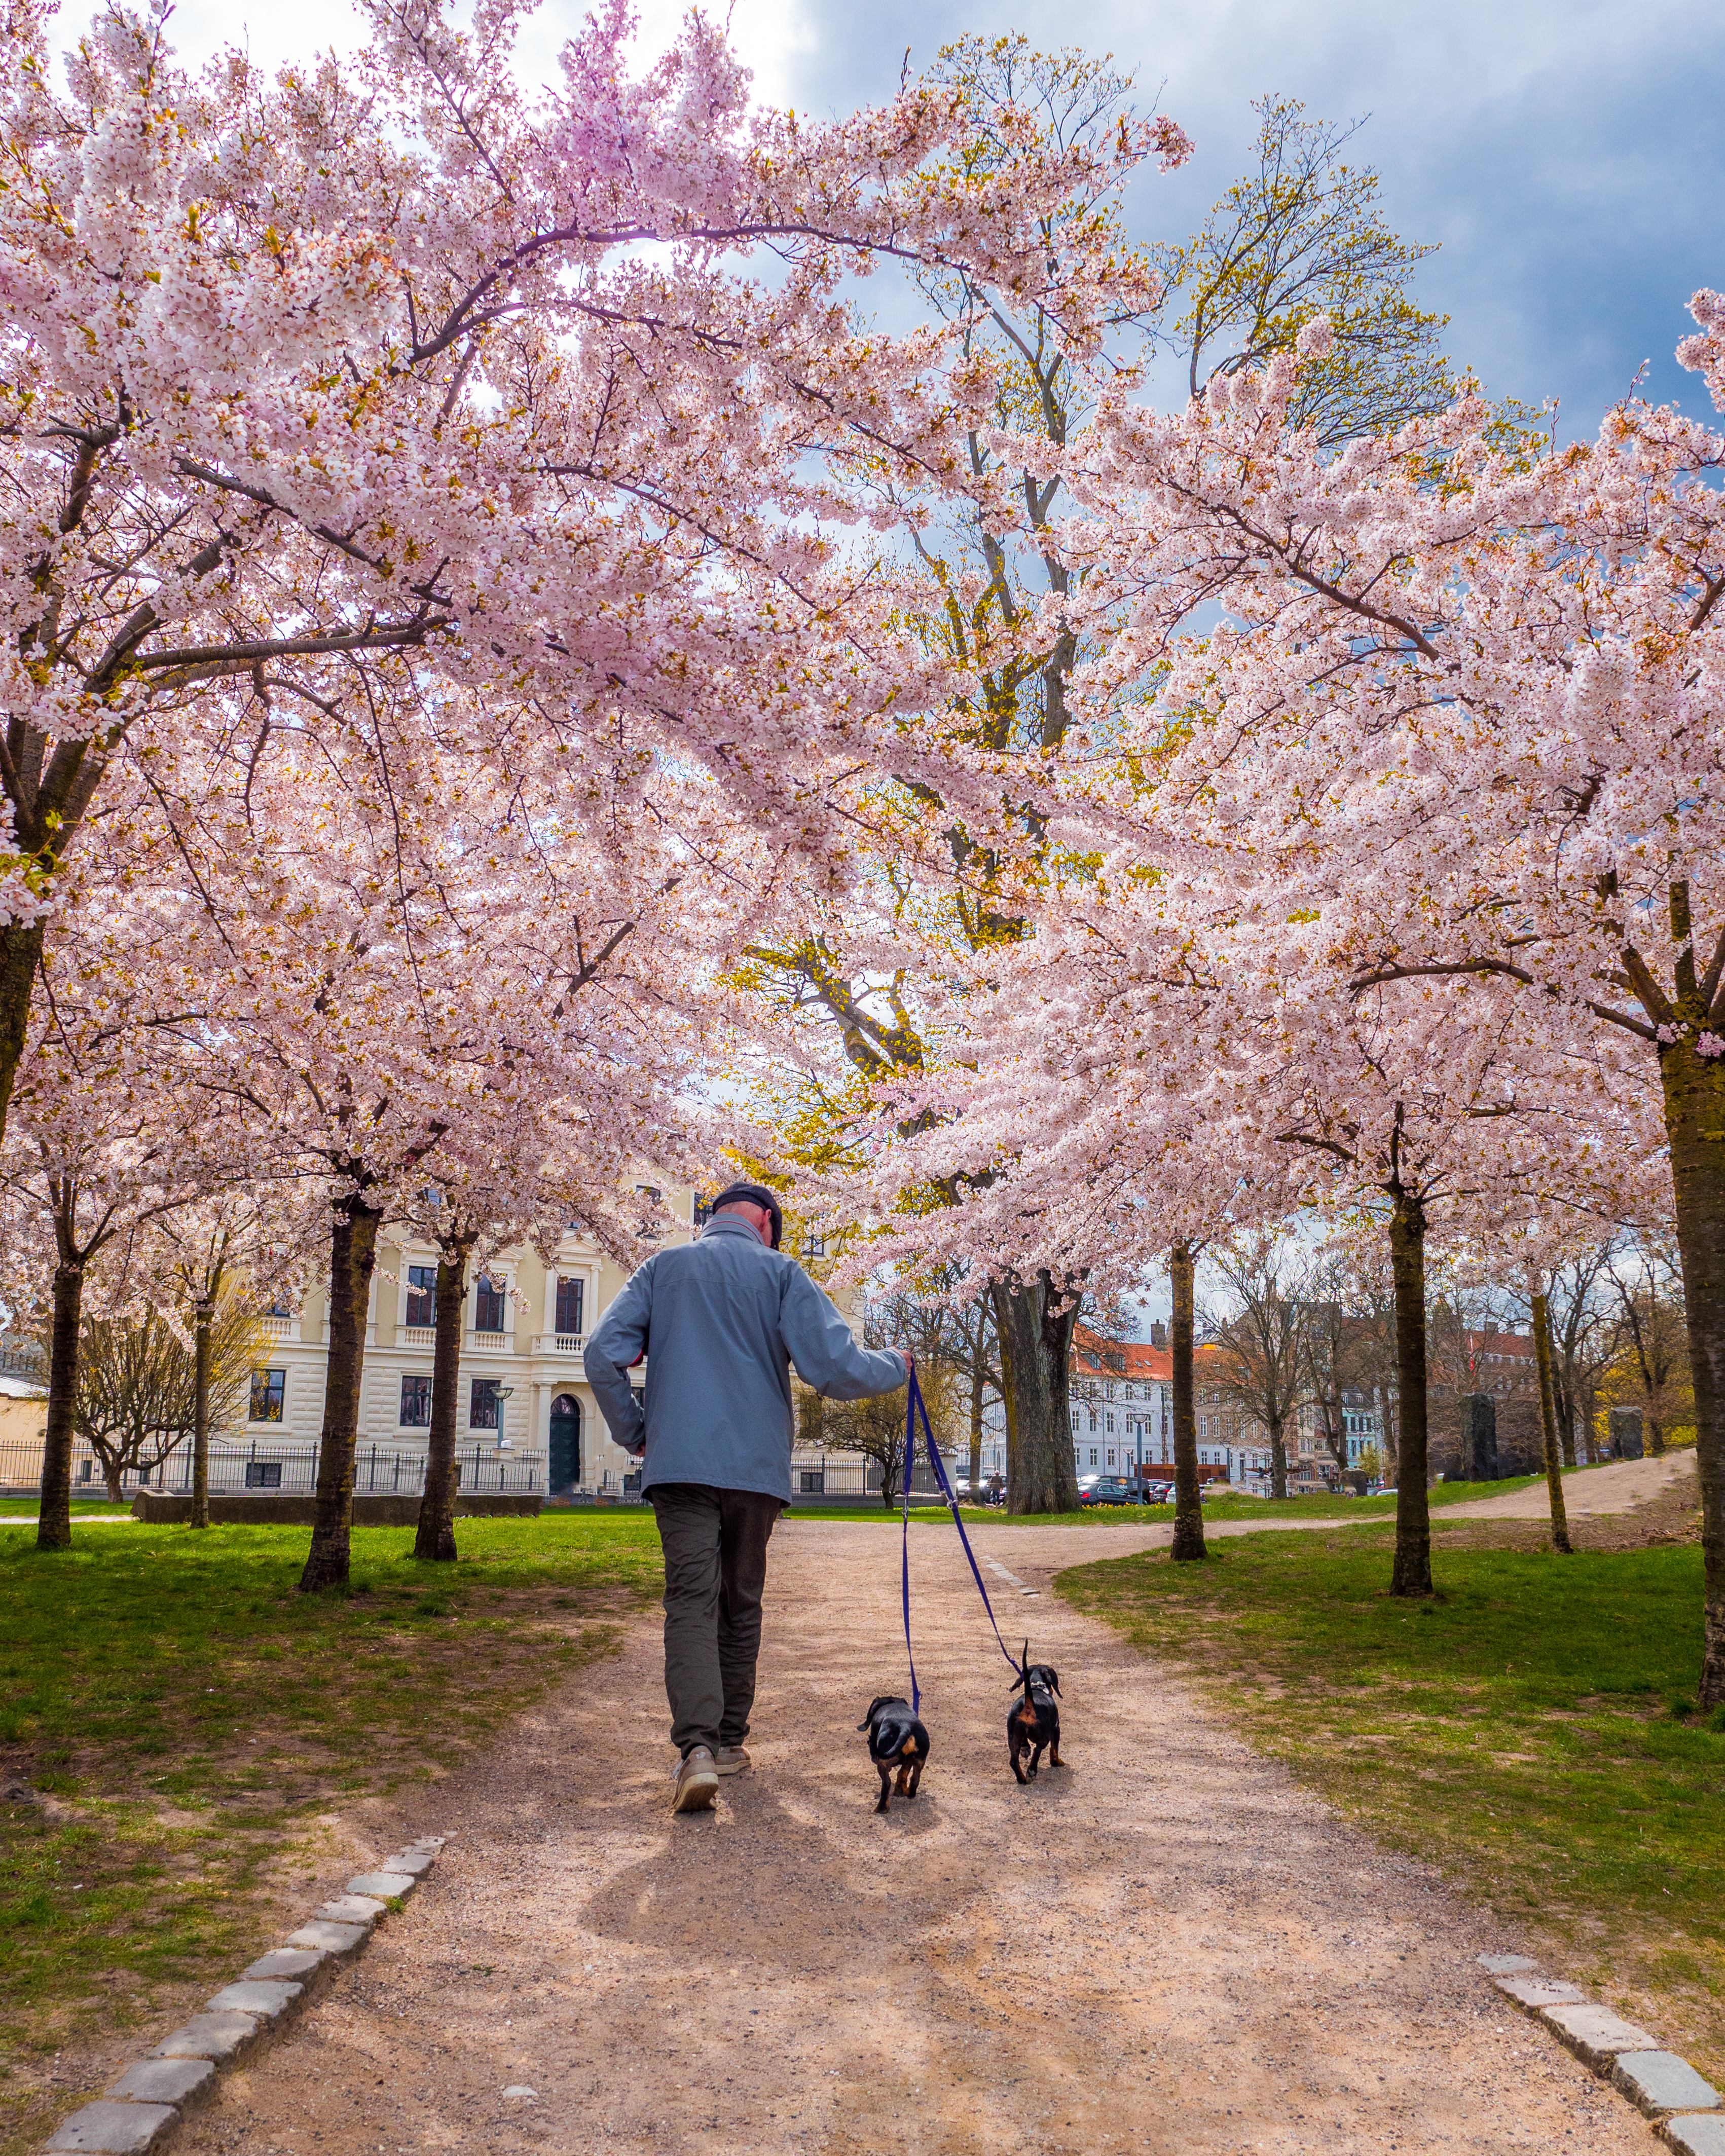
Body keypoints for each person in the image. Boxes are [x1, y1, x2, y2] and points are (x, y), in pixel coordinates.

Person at [584, 1181, 910, 1813]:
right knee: (741, 1603)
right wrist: (898, 1363)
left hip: (678, 1467)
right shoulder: (783, 1272)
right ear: (765, 1220)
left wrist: (636, 1433)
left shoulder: (662, 1268)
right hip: (755, 1471)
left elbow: (603, 1355)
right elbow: (835, 1370)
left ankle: (696, 1751)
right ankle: (730, 1743)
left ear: (713, 1219)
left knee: (689, 1601)